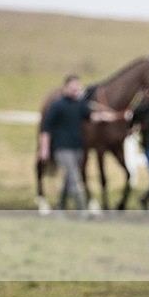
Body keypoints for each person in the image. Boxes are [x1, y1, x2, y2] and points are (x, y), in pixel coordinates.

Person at [39, 74, 118, 211]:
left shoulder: (79, 105)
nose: (76, 90)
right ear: (66, 87)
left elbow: (91, 117)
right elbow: (46, 128)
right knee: (75, 179)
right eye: (73, 87)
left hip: (77, 148)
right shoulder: (57, 106)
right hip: (62, 149)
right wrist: (44, 149)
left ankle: (60, 208)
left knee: (69, 180)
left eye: (77, 87)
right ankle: (82, 211)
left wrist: (108, 117)